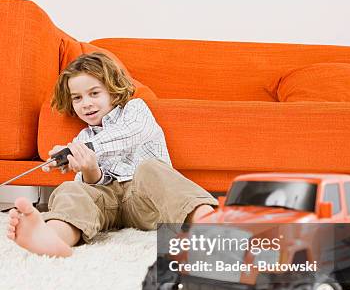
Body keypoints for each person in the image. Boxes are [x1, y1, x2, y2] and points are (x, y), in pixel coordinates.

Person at [6, 52, 218, 257]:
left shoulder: (135, 110)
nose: (86, 103)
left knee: (150, 167)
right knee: (71, 189)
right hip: (108, 207)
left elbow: (129, 134)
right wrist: (90, 169)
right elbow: (92, 189)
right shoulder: (82, 138)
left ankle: (209, 224)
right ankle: (53, 236)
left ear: (113, 92)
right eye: (77, 98)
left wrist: (84, 148)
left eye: (94, 93)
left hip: (145, 202)